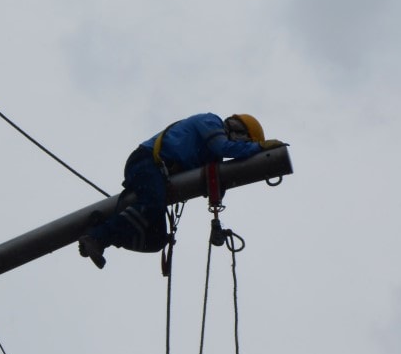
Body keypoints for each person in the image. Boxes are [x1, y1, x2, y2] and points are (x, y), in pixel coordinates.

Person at [78, 112, 284, 268]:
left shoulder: (213, 155)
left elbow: (215, 185)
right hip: (146, 161)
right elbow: (225, 147)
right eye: (244, 142)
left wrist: (216, 222)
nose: (242, 147)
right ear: (238, 130)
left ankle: (101, 230)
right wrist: (259, 148)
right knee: (151, 205)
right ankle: (98, 236)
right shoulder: (211, 123)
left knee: (156, 239)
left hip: (158, 174)